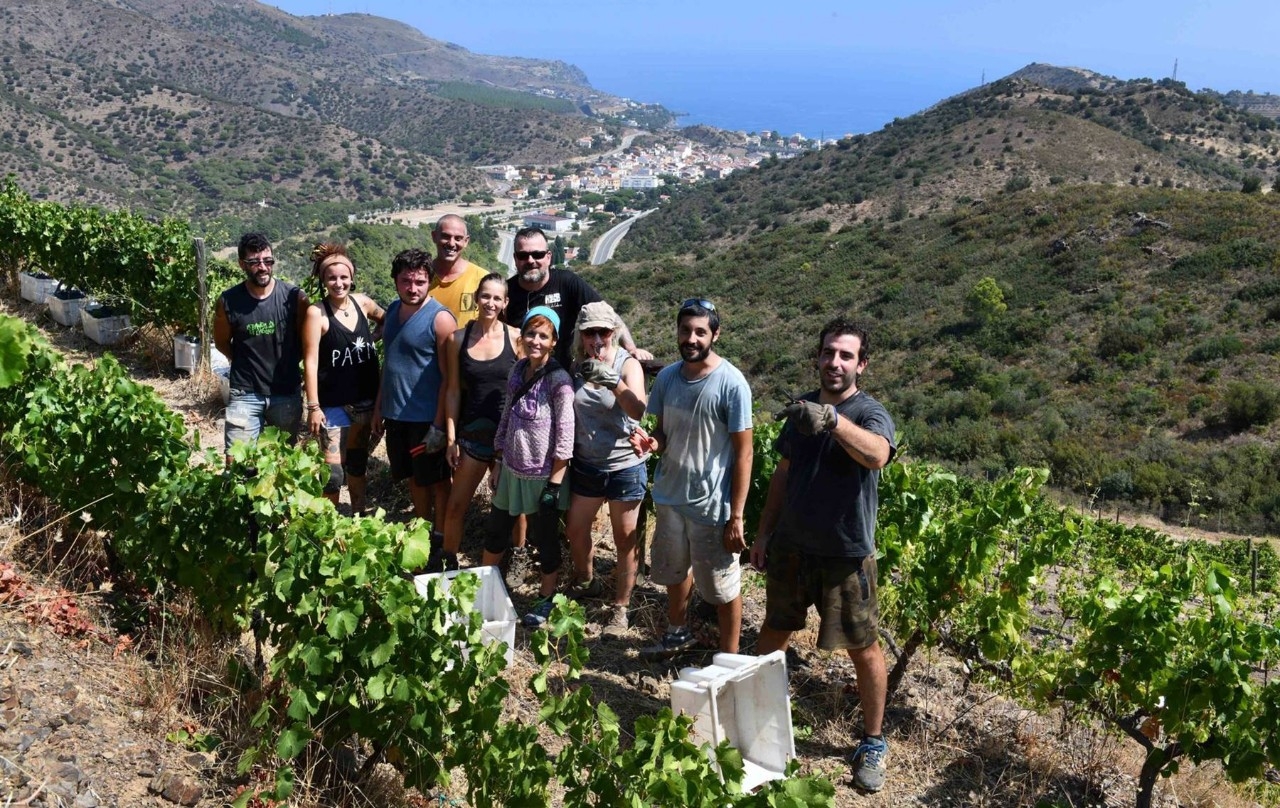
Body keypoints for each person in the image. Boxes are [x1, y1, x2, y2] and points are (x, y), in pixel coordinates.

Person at [748, 317, 897, 793]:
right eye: (829, 353)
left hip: (845, 555)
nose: (835, 362)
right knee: (773, 633)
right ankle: (754, 719)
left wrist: (833, 422)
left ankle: (872, 741)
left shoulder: (870, 412)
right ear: (817, 357)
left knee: (863, 648)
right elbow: (783, 474)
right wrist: (765, 532)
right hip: (792, 548)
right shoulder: (802, 408)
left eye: (846, 355)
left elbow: (877, 455)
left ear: (862, 365)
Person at [629, 298, 752, 658]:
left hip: (711, 504)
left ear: (715, 334)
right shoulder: (667, 378)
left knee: (722, 588)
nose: (692, 338)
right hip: (669, 496)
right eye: (686, 330)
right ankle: (677, 633)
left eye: (701, 331)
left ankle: (729, 660)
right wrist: (653, 443)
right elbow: (664, 434)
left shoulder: (731, 384)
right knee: (674, 570)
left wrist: (737, 515)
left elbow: (744, 452)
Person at [480, 306, 575, 629]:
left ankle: (544, 601)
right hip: (511, 469)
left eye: (543, 335)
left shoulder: (559, 381)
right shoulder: (518, 371)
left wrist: (554, 485)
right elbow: (507, 415)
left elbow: (565, 434)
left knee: (544, 539)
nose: (536, 340)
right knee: (495, 533)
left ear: (554, 341)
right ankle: (483, 591)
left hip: (541, 475)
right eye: (531, 333)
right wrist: (496, 460)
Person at [563, 301, 649, 637]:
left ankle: (620, 608)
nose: (597, 338)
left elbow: (638, 410)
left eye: (603, 331)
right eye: (590, 332)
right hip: (587, 463)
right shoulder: (575, 367)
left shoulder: (627, 366)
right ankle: (586, 582)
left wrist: (613, 381)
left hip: (624, 466)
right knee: (575, 529)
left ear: (613, 332)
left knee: (624, 539)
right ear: (581, 335)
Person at [437, 273, 525, 571]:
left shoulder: (517, 339)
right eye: (485, 296)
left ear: (505, 302)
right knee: (456, 505)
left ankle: (518, 559)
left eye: (497, 298)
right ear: (477, 297)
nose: (490, 302)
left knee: (514, 508)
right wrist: (451, 439)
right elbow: (452, 390)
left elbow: (525, 393)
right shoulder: (457, 339)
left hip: (508, 440)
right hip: (472, 435)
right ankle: (449, 561)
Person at [372, 248, 457, 539]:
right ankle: (422, 532)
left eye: (420, 282)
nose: (412, 288)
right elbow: (390, 364)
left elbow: (449, 378)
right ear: (395, 280)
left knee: (437, 481)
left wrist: (438, 425)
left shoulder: (441, 320)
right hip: (397, 417)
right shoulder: (393, 311)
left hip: (426, 418)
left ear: (429, 282)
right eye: (406, 281)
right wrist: (378, 407)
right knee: (413, 479)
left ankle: (441, 536)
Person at [301, 243, 385, 513]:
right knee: (334, 474)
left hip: (365, 401)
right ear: (323, 280)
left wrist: (373, 338)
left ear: (352, 277)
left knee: (358, 465)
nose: (339, 283)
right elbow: (311, 361)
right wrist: (313, 406)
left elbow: (387, 319)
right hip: (333, 404)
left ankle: (359, 515)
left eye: (343, 277)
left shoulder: (362, 304)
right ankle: (331, 523)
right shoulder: (318, 313)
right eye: (332, 278)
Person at [214, 232, 307, 463]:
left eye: (268, 261)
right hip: (245, 392)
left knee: (282, 462)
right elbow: (222, 342)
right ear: (241, 264)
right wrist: (243, 362)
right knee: (237, 463)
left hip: (286, 392)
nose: (263, 267)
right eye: (255, 262)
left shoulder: (294, 298)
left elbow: (307, 342)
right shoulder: (228, 301)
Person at [505, 226, 652, 367]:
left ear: (548, 257)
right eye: (523, 255)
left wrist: (631, 349)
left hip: (563, 377)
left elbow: (607, 313)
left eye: (538, 254)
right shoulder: (506, 292)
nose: (530, 260)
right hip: (520, 376)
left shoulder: (567, 282)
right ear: (515, 259)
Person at [428, 214, 491, 327]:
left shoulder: (482, 279)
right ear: (434, 236)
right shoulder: (420, 278)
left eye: (458, 238)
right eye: (446, 236)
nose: (451, 243)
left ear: (466, 241)